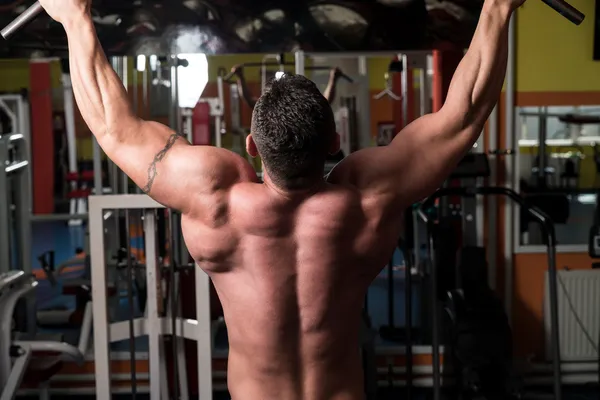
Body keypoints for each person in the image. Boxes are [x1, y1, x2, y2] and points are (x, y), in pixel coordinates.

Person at [38, 0, 524, 398]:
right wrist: (498, 10)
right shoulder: (368, 203)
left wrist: (74, 17)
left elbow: (113, 129)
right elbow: (465, 115)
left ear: (252, 146)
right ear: (334, 144)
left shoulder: (216, 203)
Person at [230, 64, 344, 108]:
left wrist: (333, 79)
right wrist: (240, 77)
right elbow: (249, 100)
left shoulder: (299, 104)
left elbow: (324, 102)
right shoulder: (272, 105)